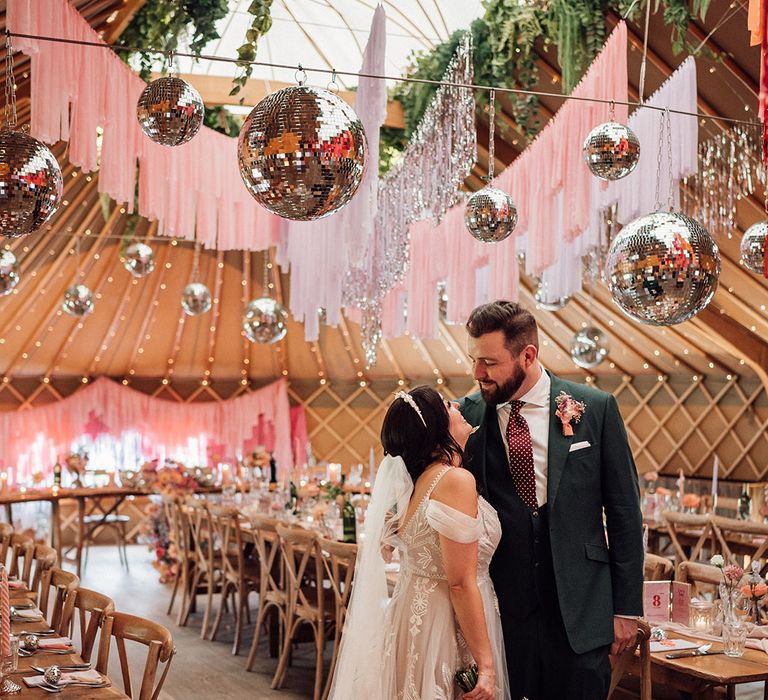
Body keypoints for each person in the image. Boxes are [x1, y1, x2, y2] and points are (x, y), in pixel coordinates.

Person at [460, 301, 643, 700]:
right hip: (504, 613)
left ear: (528, 356)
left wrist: (626, 609)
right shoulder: (466, 415)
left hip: (582, 612)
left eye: (489, 363)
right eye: (474, 361)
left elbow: (625, 512)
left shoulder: (595, 408)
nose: (478, 374)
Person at [329, 386, 510, 699]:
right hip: (448, 623)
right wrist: (487, 665)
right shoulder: (454, 480)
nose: (458, 404)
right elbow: (460, 583)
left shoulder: (421, 481)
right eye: (447, 405)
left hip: (418, 617)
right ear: (438, 429)